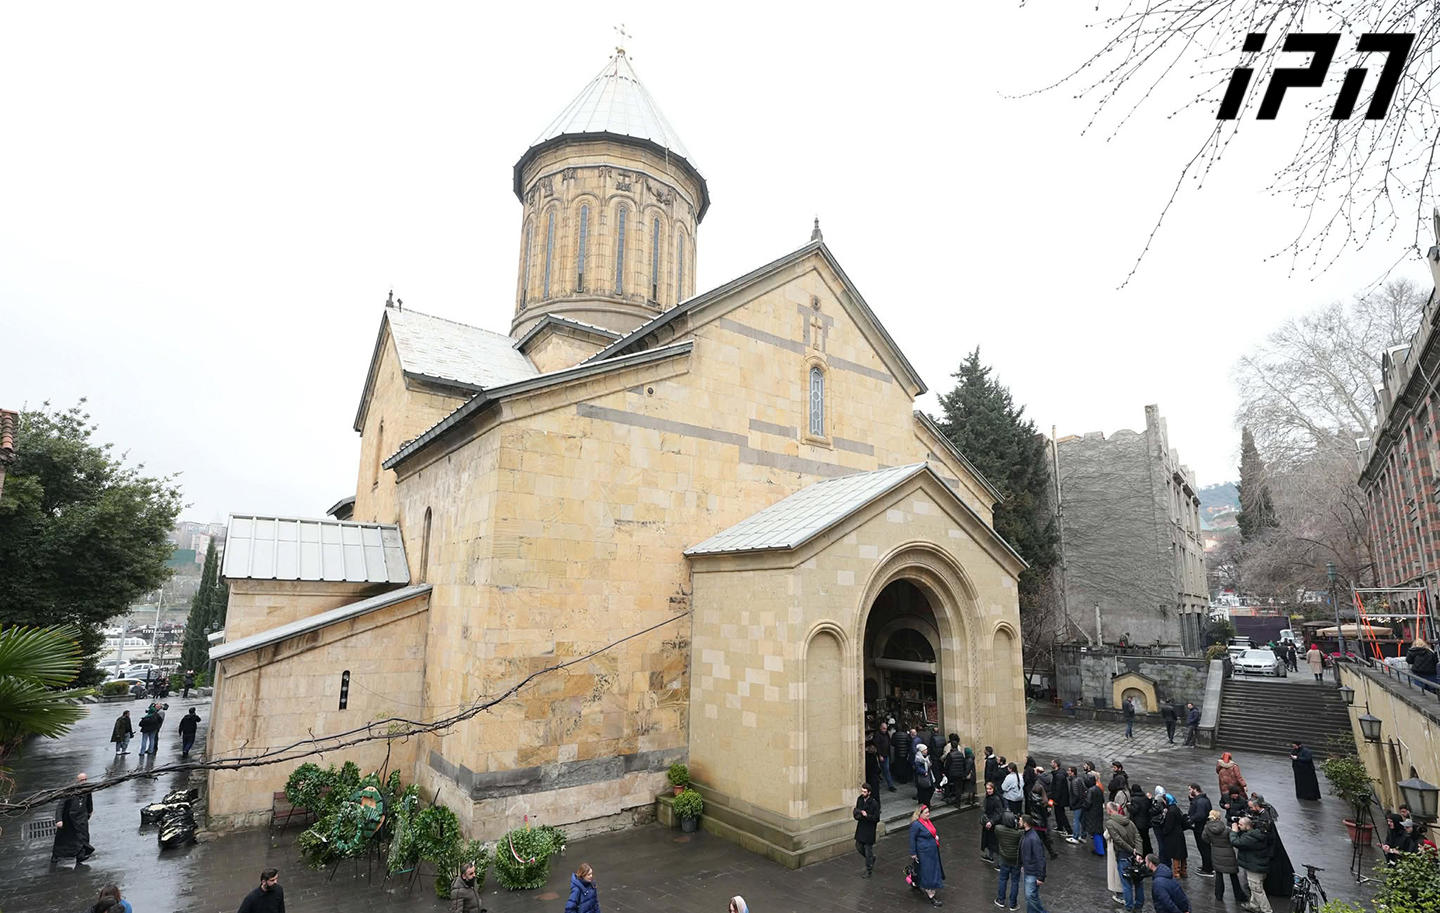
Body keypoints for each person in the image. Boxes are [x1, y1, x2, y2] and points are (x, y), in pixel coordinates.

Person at [1249, 793, 1294, 897]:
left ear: (1257, 806)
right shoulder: (1264, 814)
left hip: (1271, 849)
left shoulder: (1265, 817)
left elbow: (1266, 834)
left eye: (1251, 807)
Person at [1203, 808, 1250, 906]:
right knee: (1233, 875)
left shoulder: (1207, 828)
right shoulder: (1226, 829)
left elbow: (1205, 839)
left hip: (1216, 852)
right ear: (1219, 817)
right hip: (1228, 853)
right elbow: (1233, 838)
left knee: (1219, 876)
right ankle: (1239, 895)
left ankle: (1219, 895)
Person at [1105, 802, 1145, 912]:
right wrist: (1138, 853)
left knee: (1126, 884)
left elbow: (1118, 841)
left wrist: (1132, 851)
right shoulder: (1130, 822)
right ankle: (1138, 907)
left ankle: (1128, 908)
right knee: (1138, 883)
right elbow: (1138, 837)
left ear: (1109, 810)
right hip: (1135, 857)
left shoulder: (1110, 823)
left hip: (1123, 855)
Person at [1229, 817, 1272, 913]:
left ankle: (1267, 910)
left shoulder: (1251, 837)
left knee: (1257, 890)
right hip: (1257, 866)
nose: (1239, 826)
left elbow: (1236, 842)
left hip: (1255, 868)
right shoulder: (1256, 833)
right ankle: (1254, 906)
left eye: (1241, 825)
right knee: (1254, 888)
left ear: (1248, 826)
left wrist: (1234, 832)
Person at [50, 773, 94, 865]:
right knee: (64, 839)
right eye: (82, 780)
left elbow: (89, 802)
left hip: (82, 818)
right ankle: (56, 855)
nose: (84, 782)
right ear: (77, 781)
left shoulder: (87, 789)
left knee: (83, 837)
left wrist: (89, 812)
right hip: (70, 819)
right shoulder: (69, 791)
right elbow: (60, 806)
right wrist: (59, 820)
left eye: (85, 779)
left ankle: (80, 856)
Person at [908, 805, 945, 907]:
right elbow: (912, 839)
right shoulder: (916, 825)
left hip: (932, 851)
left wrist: (935, 837)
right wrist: (913, 853)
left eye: (929, 812)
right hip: (923, 852)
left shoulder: (927, 821)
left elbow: (931, 832)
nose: (928, 814)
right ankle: (931, 895)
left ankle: (914, 881)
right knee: (928, 872)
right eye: (926, 812)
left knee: (925, 870)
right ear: (920, 814)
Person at [1019, 815, 1049, 913]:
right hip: (1028, 869)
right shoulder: (1027, 834)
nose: (1019, 822)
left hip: (1032, 872)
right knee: (1031, 897)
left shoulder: (1033, 838)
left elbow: (1040, 858)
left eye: (1020, 820)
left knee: (1030, 896)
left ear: (1026, 823)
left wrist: (1041, 876)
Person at [995, 811, 1023, 910]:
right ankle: (1013, 904)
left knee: (1003, 879)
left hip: (1004, 859)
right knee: (1015, 882)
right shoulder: (1018, 833)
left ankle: (1001, 900)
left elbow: (997, 825)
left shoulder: (999, 829)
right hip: (1015, 861)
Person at [852, 782, 880, 877]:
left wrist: (867, 815)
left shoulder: (874, 803)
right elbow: (856, 811)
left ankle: (869, 869)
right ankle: (871, 858)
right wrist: (858, 814)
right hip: (861, 827)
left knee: (868, 849)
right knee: (858, 846)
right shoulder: (860, 799)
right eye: (862, 791)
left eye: (865, 792)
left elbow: (876, 818)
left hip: (869, 829)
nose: (863, 793)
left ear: (869, 792)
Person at [1159, 793, 1189, 878]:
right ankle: (1183, 871)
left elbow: (1169, 826)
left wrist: (1164, 831)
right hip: (1179, 833)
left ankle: (1176, 872)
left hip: (1173, 835)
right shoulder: (1176, 808)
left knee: (1176, 854)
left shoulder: (1171, 811)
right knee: (1182, 854)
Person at [1186, 784, 1214, 876]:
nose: (1189, 791)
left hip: (1200, 828)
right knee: (1204, 848)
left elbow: (1200, 815)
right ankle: (1207, 866)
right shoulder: (1202, 799)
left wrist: (1191, 819)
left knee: (1204, 848)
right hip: (1201, 828)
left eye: (1190, 789)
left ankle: (1207, 869)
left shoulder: (1200, 801)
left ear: (1195, 789)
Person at [981, 781, 1004, 863]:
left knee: (995, 843)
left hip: (994, 824)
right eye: (987, 789)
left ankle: (1000, 863)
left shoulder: (996, 799)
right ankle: (990, 856)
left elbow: (999, 813)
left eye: (990, 789)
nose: (988, 790)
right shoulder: (988, 798)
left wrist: (991, 821)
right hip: (988, 823)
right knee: (989, 841)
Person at [1128, 784, 1153, 857]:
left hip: (1138, 823)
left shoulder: (1134, 799)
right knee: (1146, 838)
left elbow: (1134, 810)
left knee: (1139, 839)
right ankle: (1149, 852)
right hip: (1146, 822)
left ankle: (1141, 853)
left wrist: (1128, 806)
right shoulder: (1145, 797)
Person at [1048, 760, 1071, 836]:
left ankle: (1069, 830)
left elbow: (1058, 789)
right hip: (1060, 798)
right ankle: (1060, 827)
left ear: (1055, 764)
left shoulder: (1058, 775)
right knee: (1058, 813)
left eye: (1052, 763)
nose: (1050, 764)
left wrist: (1055, 800)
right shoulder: (1058, 773)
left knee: (1061, 814)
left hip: (1059, 799)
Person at [1066, 767, 1087, 841]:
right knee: (1082, 820)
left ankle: (1075, 837)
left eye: (1069, 771)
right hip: (1082, 803)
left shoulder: (1073, 781)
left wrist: (1072, 803)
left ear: (1072, 772)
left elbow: (1076, 794)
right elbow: (1084, 790)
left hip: (1077, 805)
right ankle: (1083, 836)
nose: (1067, 772)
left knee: (1076, 821)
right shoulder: (1079, 779)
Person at [875, 723, 896, 791]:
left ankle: (889, 784)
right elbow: (877, 746)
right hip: (882, 755)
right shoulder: (878, 735)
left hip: (887, 754)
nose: (885, 730)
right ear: (880, 728)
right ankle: (890, 785)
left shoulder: (886, 734)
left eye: (886, 728)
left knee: (886, 770)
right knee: (885, 770)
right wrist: (880, 755)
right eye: (884, 728)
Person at [915, 743, 936, 807]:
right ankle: (926, 804)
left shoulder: (926, 757)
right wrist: (924, 772)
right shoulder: (918, 758)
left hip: (928, 776)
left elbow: (928, 764)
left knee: (930, 789)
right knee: (925, 790)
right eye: (925, 749)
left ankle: (924, 803)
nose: (926, 750)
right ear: (922, 751)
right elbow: (917, 767)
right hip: (922, 777)